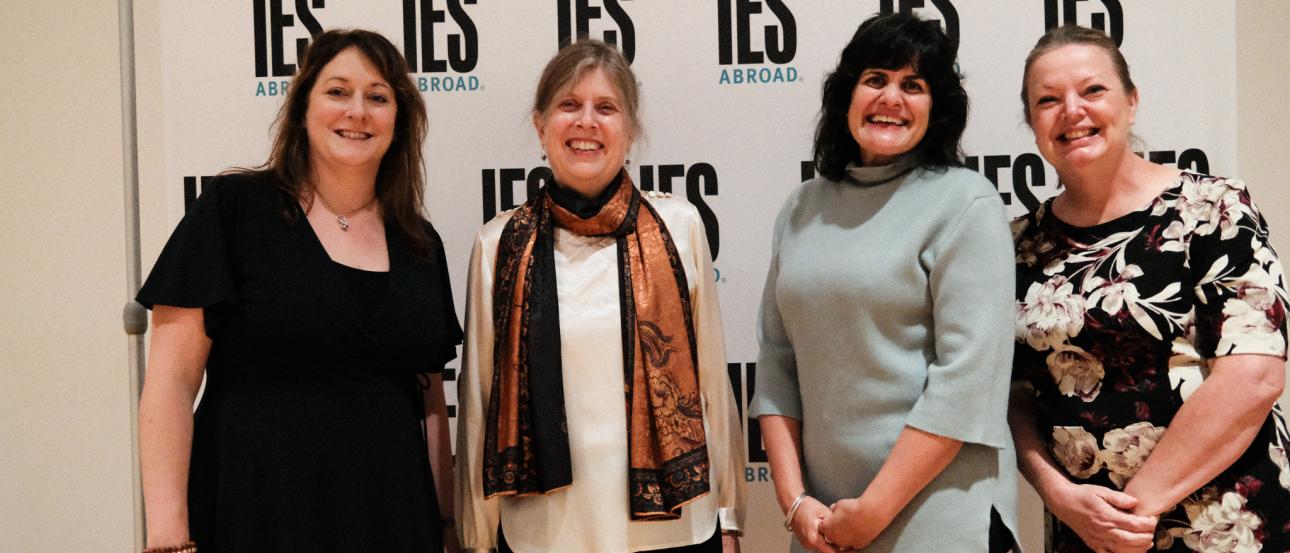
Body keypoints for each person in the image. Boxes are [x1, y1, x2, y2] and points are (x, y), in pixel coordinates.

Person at [136, 29, 462, 553]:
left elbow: (428, 403)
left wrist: (446, 528)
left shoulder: (420, 243)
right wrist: (168, 537)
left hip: (391, 515)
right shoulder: (232, 209)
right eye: (337, 91)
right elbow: (171, 385)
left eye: (378, 97)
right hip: (256, 508)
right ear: (302, 106)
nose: (357, 111)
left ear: (399, 120)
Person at [454, 39, 746, 553]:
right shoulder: (499, 243)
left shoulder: (679, 228)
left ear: (630, 130)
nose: (587, 121)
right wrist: (476, 537)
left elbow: (711, 387)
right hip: (545, 532)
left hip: (674, 526)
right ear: (541, 126)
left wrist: (729, 516)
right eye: (569, 105)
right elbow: (479, 402)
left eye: (605, 108)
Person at [1009, 24, 1290, 553]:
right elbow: (1014, 398)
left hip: (1226, 526)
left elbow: (1254, 376)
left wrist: (1135, 509)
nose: (1072, 110)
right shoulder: (1018, 245)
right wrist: (1056, 493)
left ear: (1131, 102)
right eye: (1048, 100)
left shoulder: (1213, 209)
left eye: (1093, 90)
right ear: (1033, 123)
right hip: (1086, 533)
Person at [750, 13, 1020, 553]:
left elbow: (965, 384)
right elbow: (778, 365)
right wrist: (795, 503)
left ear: (936, 109)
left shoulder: (967, 203)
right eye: (876, 78)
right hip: (824, 526)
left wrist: (873, 511)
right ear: (847, 93)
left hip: (943, 519)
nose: (891, 98)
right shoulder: (802, 207)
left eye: (913, 85)